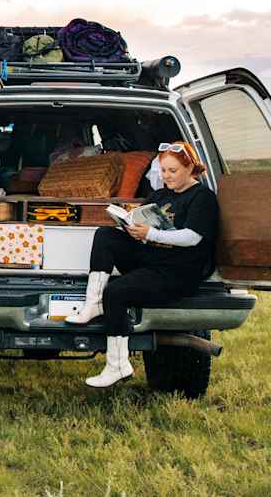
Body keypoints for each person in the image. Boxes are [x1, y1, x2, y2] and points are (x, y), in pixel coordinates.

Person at [65, 140, 220, 388]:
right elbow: (146, 217)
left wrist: (150, 234)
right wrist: (129, 223)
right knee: (105, 235)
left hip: (178, 272)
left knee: (115, 293)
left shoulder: (203, 197)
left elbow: (193, 237)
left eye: (172, 171)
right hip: (154, 257)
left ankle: (118, 365)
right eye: (163, 170)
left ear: (190, 168)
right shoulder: (162, 194)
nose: (166, 176)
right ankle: (92, 304)